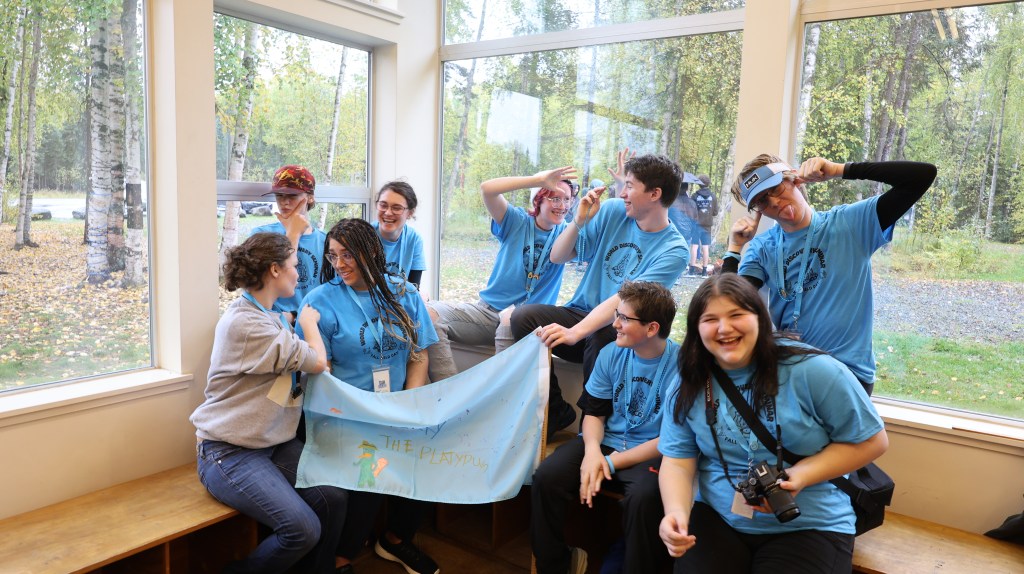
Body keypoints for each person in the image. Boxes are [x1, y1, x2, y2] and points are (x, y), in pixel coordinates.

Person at [658, 274, 889, 573]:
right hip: (719, 517)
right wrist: (675, 513)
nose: (724, 328)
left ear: (760, 318)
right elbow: (677, 459)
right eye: (710, 319)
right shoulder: (688, 380)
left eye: (736, 315)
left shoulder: (813, 370)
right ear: (696, 328)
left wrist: (801, 475)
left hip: (810, 523)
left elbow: (873, 441)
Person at [191, 232, 347, 574]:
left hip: (273, 443)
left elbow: (285, 332)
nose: (298, 273)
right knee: (301, 530)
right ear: (275, 270)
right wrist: (308, 323)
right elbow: (318, 362)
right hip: (229, 452)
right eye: (294, 266)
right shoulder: (246, 324)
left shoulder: (267, 315)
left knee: (332, 498)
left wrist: (293, 321)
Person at [511, 151, 688, 437]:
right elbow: (557, 256)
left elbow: (625, 301)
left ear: (655, 194)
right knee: (523, 318)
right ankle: (556, 412)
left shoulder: (674, 250)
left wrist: (576, 332)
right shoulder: (614, 211)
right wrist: (578, 221)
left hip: (621, 327)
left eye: (630, 186)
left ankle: (591, 432)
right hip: (581, 312)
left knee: (602, 336)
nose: (623, 193)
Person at [297, 218, 439, 574]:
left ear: (372, 251)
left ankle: (395, 539)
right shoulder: (320, 301)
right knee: (372, 466)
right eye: (332, 256)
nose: (339, 264)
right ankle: (342, 556)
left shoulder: (403, 293)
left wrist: (409, 404)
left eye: (348, 254)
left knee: (431, 454)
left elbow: (419, 354)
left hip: (395, 406)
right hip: (343, 413)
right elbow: (321, 372)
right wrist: (367, 414)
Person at [725, 156, 937, 394]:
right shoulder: (762, 247)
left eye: (775, 188)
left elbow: (922, 176)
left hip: (847, 375)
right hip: (791, 374)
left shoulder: (851, 223)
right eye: (762, 201)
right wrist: (734, 248)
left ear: (794, 179)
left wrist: (841, 169)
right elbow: (729, 304)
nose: (773, 201)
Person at [531, 281, 678, 574]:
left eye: (624, 318)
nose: (615, 324)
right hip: (604, 441)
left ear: (651, 328)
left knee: (643, 499)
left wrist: (608, 463)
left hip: (651, 450)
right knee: (546, 477)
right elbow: (594, 414)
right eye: (616, 315)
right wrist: (592, 453)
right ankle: (556, 565)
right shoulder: (611, 353)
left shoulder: (683, 365)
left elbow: (673, 439)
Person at [426, 167, 575, 382]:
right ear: (538, 200)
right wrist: (538, 180)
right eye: (555, 198)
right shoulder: (516, 221)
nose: (562, 205)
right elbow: (488, 189)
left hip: (527, 324)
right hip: (488, 313)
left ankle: (499, 398)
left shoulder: (569, 233)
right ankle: (448, 390)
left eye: (567, 199)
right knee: (429, 315)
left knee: (509, 319)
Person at [250, 164, 328, 316]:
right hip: (273, 322)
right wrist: (293, 233)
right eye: (279, 195)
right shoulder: (261, 235)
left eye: (292, 196)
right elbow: (262, 282)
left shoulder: (326, 241)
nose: (284, 202)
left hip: (315, 321)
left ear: (310, 197)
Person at [373, 180, 426, 288]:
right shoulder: (363, 235)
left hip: (400, 297)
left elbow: (413, 288)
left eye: (397, 208)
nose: (388, 213)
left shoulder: (414, 239)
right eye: (383, 205)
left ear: (410, 213)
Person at [689, 174, 717, 276]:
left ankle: (691, 270)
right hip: (707, 225)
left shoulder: (694, 196)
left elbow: (691, 210)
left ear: (699, 183)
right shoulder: (713, 196)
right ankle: (704, 272)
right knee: (705, 247)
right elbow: (715, 212)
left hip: (696, 225)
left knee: (694, 246)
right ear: (708, 183)